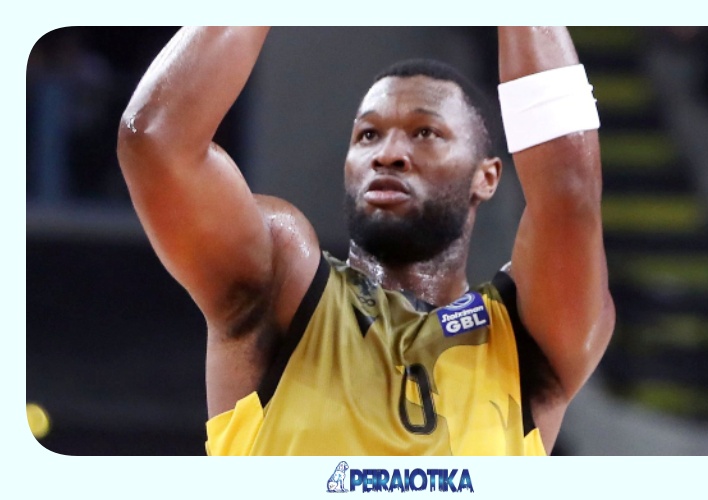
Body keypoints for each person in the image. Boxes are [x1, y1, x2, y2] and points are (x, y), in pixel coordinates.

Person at [117, 26, 615, 456]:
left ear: (486, 177)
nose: (388, 154)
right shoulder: (283, 283)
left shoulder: (528, 332)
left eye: (425, 132)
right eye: (368, 135)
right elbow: (157, 141)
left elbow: (570, 193)